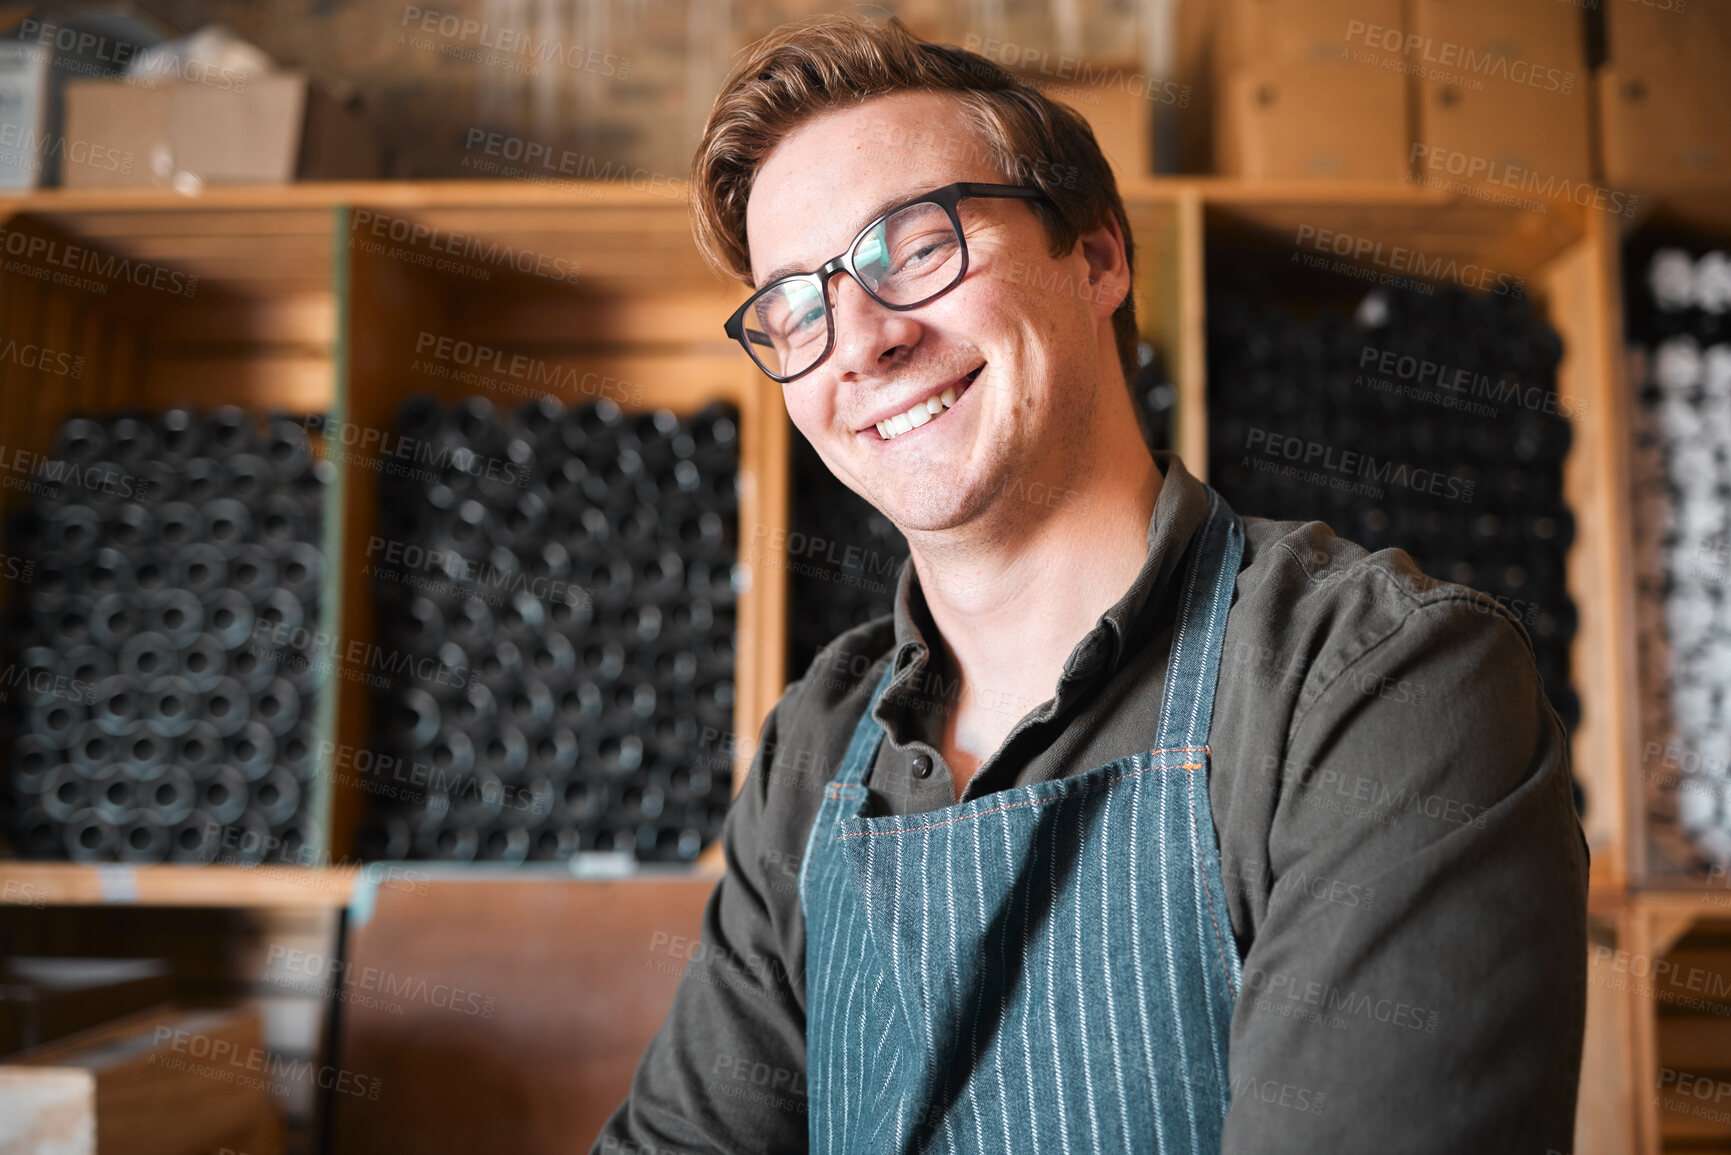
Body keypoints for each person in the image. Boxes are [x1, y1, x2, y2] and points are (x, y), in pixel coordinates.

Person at [594, 14, 1588, 1154]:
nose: (860, 343)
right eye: (795, 309)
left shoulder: (1379, 687)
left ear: (1099, 256)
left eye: (915, 248)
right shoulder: (818, 744)